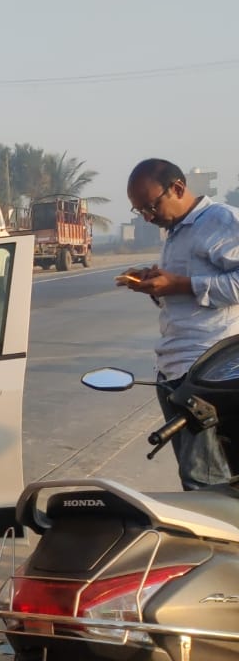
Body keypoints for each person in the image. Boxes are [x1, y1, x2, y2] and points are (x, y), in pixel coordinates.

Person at [119, 158, 239, 489]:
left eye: (150, 206)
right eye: (139, 211)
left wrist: (179, 284)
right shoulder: (175, 232)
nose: (147, 216)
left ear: (178, 188)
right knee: (197, 478)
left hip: (207, 370)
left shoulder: (222, 222)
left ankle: (216, 541)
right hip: (174, 369)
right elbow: (183, 293)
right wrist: (154, 285)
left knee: (204, 482)